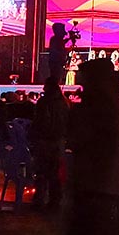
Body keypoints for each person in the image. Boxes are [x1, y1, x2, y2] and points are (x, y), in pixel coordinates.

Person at [62, 58, 119, 235]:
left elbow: (85, 139)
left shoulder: (98, 105)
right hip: (98, 182)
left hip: (95, 183)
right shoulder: (107, 103)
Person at [31, 78, 69, 211]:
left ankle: (39, 199)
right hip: (58, 140)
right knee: (55, 172)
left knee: (41, 171)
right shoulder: (64, 102)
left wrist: (35, 135)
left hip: (44, 140)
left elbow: (40, 121)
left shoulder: (44, 102)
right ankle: (54, 200)